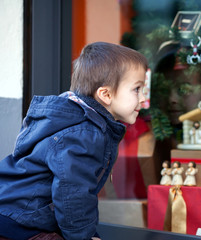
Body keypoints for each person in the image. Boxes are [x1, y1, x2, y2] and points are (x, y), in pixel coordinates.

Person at [0, 42, 148, 240]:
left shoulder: (78, 118)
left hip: (16, 214)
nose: (143, 99)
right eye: (137, 89)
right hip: (21, 222)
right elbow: (73, 195)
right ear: (106, 94)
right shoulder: (84, 134)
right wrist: (84, 237)